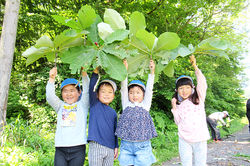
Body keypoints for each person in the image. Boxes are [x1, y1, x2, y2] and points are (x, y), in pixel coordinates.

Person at [116, 59, 157, 166]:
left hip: (142, 145)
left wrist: (152, 73)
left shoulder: (145, 105)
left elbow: (149, 89)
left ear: (143, 95)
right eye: (131, 93)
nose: (134, 95)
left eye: (138, 93)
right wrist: (124, 71)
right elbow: (123, 88)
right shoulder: (126, 104)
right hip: (126, 145)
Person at [171, 55, 210, 166]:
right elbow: (177, 122)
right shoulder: (179, 104)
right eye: (181, 88)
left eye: (187, 87)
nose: (184, 91)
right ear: (177, 90)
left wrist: (195, 66)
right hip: (184, 139)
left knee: (200, 164)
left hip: (200, 138)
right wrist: (174, 108)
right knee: (186, 163)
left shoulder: (199, 98)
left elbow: (202, 82)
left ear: (192, 87)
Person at [46, 67, 89, 166]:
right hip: (61, 149)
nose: (68, 94)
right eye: (65, 91)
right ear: (61, 94)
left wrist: (84, 73)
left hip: (78, 148)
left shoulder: (83, 105)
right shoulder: (60, 106)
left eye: (72, 90)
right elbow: (50, 96)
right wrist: (51, 79)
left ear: (79, 93)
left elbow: (87, 89)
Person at [87, 67, 119, 166]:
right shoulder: (94, 104)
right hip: (96, 145)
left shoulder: (113, 112)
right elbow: (92, 86)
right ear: (97, 94)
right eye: (103, 91)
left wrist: (116, 146)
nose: (106, 94)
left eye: (110, 92)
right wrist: (95, 72)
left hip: (110, 148)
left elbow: (115, 131)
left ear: (113, 96)